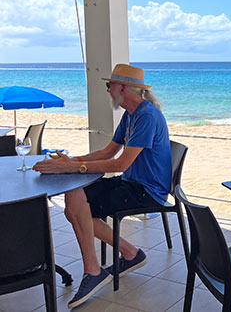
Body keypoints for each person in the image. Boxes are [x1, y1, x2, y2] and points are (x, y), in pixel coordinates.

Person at [33, 63, 172, 309]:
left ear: (124, 88)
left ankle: (94, 271)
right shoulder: (131, 115)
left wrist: (74, 168)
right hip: (130, 183)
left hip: (146, 192)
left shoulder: (147, 116)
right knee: (74, 201)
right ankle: (129, 254)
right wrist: (72, 160)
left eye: (110, 86)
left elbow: (121, 163)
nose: (107, 91)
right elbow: (108, 151)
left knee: (77, 204)